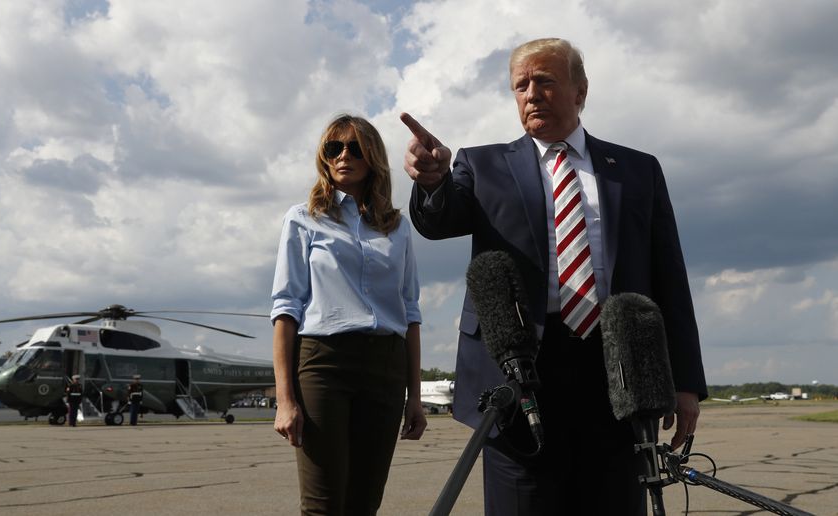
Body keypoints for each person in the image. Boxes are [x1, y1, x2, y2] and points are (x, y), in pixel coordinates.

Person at [400, 38, 707, 515]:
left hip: (615, 374)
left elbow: (670, 277)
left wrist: (685, 382)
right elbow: (439, 222)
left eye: (544, 80)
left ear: (580, 91)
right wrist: (432, 181)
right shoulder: (481, 165)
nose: (530, 93)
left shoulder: (637, 170)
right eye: (520, 85)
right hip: (518, 374)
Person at [271, 114, 427, 515]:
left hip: (387, 367)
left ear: (372, 157)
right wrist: (285, 399)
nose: (344, 155)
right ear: (324, 156)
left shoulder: (398, 228)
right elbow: (286, 309)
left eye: (355, 148)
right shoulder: (304, 219)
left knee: (364, 503)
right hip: (325, 363)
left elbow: (410, 313)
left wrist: (415, 397)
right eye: (334, 147)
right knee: (323, 505)